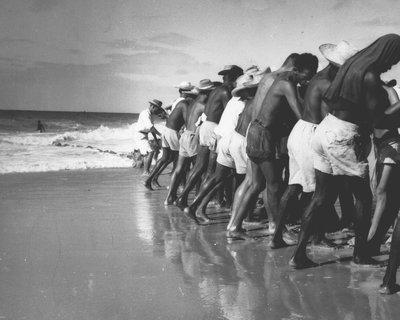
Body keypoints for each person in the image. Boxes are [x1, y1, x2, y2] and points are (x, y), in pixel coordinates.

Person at [290, 34, 400, 269]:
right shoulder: (369, 75)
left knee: (320, 196)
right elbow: (379, 120)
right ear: (386, 54)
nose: (393, 64)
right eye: (394, 59)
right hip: (344, 135)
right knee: (363, 197)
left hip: (325, 129)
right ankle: (360, 255)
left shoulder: (350, 67)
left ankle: (298, 255)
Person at [271, 41, 358, 249]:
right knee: (320, 191)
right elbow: (329, 117)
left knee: (294, 187)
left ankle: (277, 236)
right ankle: (316, 237)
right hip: (312, 134)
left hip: (300, 131)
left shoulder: (319, 79)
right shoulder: (328, 83)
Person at [227, 53, 318, 239]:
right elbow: (300, 114)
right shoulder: (285, 82)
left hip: (254, 131)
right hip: (264, 135)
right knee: (273, 185)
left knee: (254, 183)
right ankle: (276, 228)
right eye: (305, 75)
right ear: (295, 69)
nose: (306, 79)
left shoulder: (268, 78)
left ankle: (234, 226)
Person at [184, 75, 259, 223]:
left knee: (216, 177)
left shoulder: (232, 101)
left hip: (222, 139)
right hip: (236, 140)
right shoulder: (249, 104)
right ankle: (243, 216)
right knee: (245, 180)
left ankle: (194, 206)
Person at [175, 65, 244, 210]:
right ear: (234, 77)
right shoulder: (225, 91)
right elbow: (228, 115)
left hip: (205, 126)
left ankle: (183, 198)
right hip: (213, 127)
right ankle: (201, 207)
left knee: (200, 167)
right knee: (211, 171)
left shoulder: (216, 91)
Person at [164, 79, 215, 205]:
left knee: (179, 168)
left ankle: (170, 197)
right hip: (193, 137)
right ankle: (192, 196)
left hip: (185, 136)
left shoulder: (190, 103)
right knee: (197, 169)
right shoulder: (204, 105)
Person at [144, 83, 196, 190]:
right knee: (180, 159)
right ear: (186, 93)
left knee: (165, 158)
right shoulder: (184, 103)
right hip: (174, 132)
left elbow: (171, 116)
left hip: (167, 130)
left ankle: (149, 180)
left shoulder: (176, 101)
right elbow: (187, 120)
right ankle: (178, 185)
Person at [135, 99, 164, 175]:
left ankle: (146, 170)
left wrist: (156, 139)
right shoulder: (145, 114)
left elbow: (151, 129)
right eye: (157, 109)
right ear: (152, 107)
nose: (157, 111)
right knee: (150, 152)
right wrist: (160, 135)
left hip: (145, 134)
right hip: (140, 134)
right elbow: (151, 128)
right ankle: (146, 171)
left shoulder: (151, 115)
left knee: (146, 153)